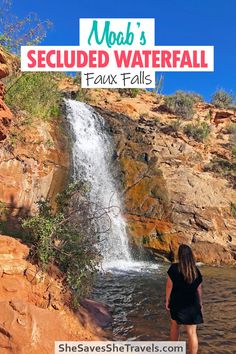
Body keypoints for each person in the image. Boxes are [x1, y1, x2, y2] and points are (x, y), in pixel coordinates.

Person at [166, 244, 203, 354]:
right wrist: (200, 304)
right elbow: (199, 288)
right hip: (192, 304)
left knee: (174, 326)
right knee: (192, 333)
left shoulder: (173, 268)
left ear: (180, 255)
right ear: (191, 255)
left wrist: (167, 300)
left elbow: (169, 286)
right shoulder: (195, 270)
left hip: (177, 302)